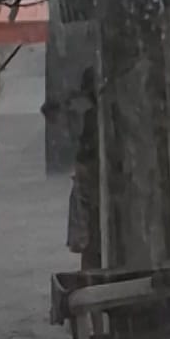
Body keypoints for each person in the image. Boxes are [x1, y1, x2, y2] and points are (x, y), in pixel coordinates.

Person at [67, 67, 101, 270]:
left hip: (91, 188)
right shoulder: (94, 118)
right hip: (91, 189)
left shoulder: (93, 118)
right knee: (91, 246)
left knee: (90, 247)